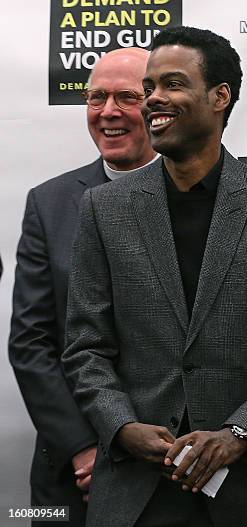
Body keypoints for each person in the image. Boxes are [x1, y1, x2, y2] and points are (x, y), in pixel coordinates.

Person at [61, 26, 247, 527]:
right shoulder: (105, 207)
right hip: (136, 491)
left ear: (219, 96)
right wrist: (121, 426)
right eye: (149, 88)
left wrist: (239, 433)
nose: (153, 100)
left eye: (171, 84)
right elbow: (84, 347)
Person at [9, 47, 157, 526]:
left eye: (126, 97)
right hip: (69, 477)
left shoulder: (207, 200)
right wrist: (84, 448)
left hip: (169, 468)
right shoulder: (48, 204)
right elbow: (32, 342)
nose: (108, 112)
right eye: (96, 97)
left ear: (157, 104)